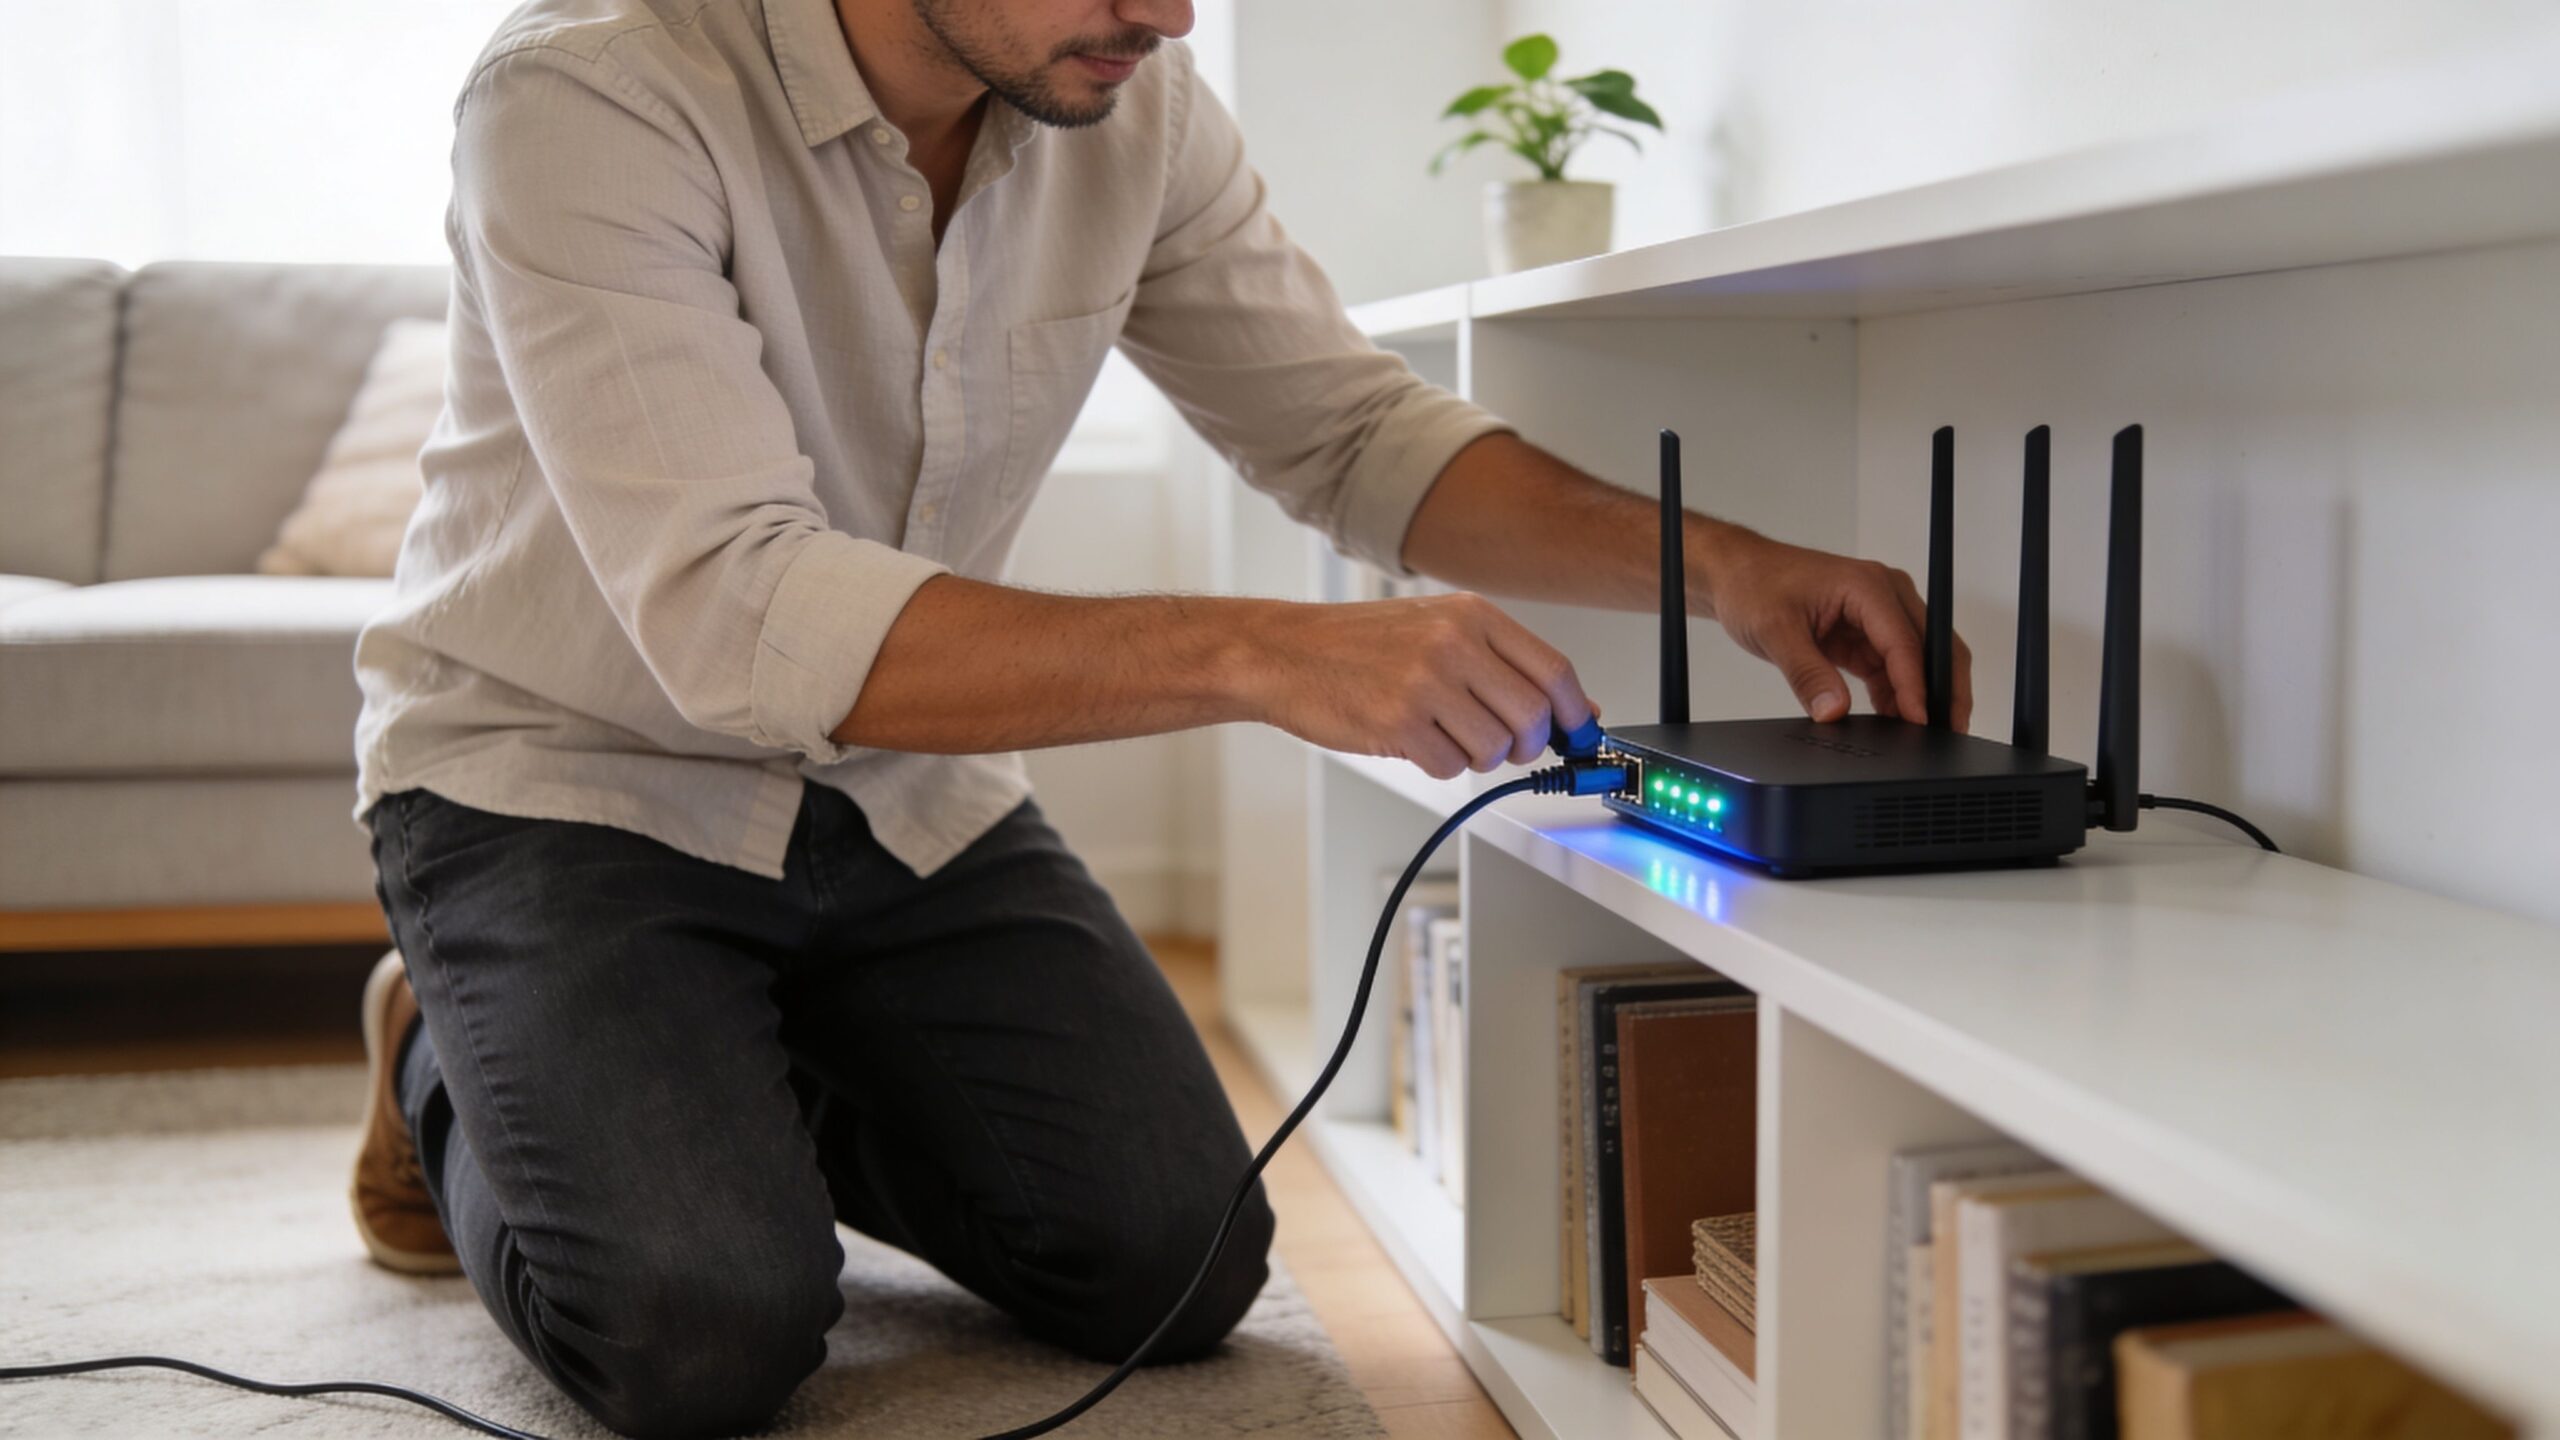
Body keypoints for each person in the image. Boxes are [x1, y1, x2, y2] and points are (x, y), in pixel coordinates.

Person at [347, 0, 1973, 1435]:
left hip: (901, 789)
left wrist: (1730, 567)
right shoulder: (591, 92)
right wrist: (1268, 658)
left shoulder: (1128, 101)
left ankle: (715, 1079)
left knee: (1172, 1267)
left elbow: (1349, 434)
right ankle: (442, 1043)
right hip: (567, 787)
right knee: (700, 1333)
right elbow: (732, 608)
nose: (1172, 14)